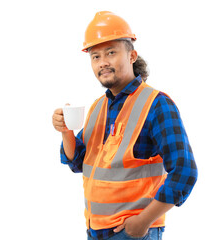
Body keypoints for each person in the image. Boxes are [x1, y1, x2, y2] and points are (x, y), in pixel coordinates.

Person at [52, 11, 197, 240]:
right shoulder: (98, 107)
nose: (103, 62)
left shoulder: (157, 105)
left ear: (131, 55)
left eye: (111, 52)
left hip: (133, 233)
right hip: (95, 231)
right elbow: (78, 162)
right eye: (96, 56)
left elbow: (185, 171)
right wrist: (66, 131)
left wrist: (144, 221)